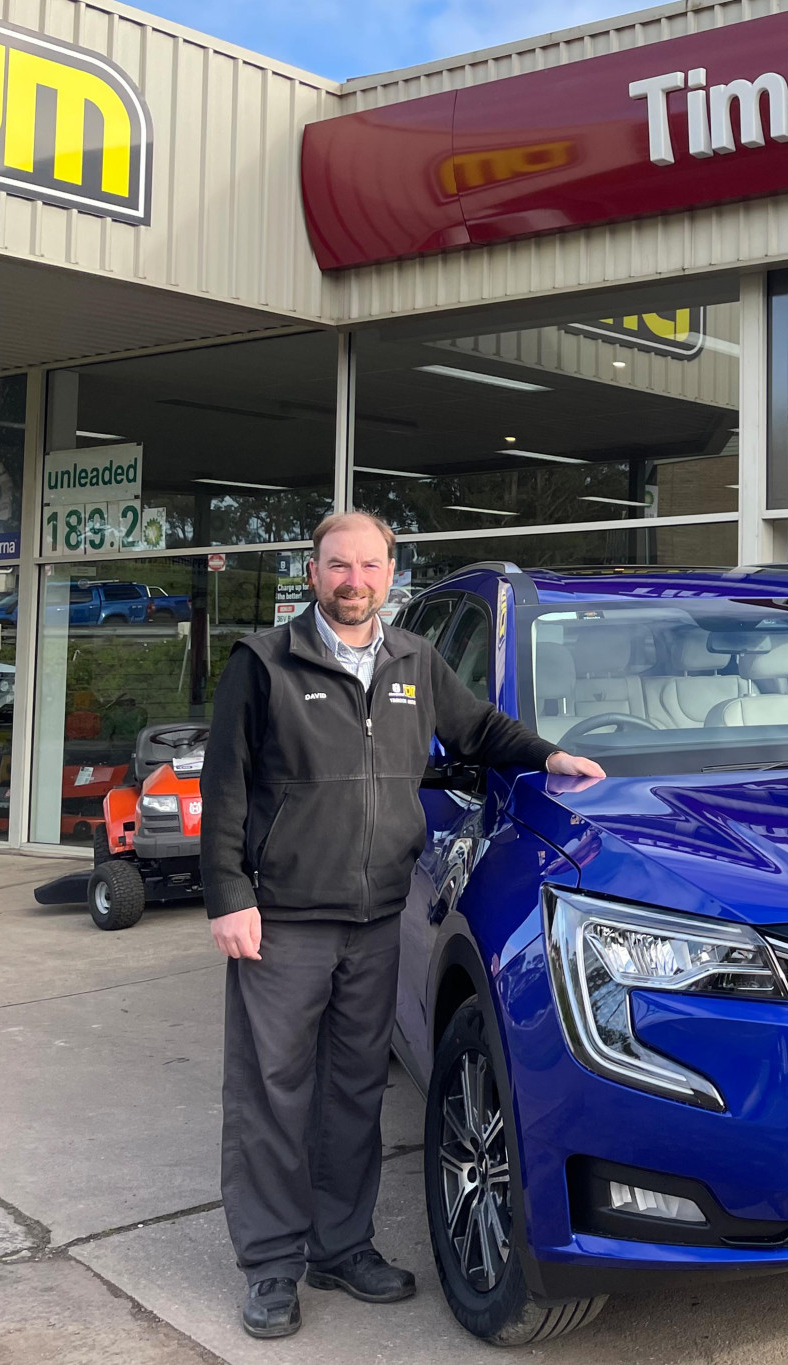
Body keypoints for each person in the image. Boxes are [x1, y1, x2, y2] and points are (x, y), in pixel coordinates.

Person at [201, 513, 605, 1340]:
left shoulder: (414, 660)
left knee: (352, 1089)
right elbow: (227, 788)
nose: (355, 580)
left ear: (392, 573)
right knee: (272, 1094)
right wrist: (227, 896)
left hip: (377, 910)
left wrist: (550, 756)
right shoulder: (265, 664)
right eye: (339, 565)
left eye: (370, 565)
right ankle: (272, 1266)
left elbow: (479, 730)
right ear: (313, 573)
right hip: (281, 916)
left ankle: (341, 1247)